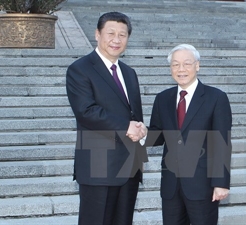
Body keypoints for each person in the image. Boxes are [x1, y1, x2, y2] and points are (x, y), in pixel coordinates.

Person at [66, 12, 148, 225]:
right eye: (110, 33)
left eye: (122, 35)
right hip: (98, 166)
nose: (116, 39)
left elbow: (132, 114)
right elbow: (86, 111)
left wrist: (140, 129)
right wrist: (126, 127)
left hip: (129, 166)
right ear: (97, 34)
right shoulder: (80, 69)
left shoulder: (129, 73)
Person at [146, 44, 232, 225]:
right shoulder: (162, 98)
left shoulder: (216, 98)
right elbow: (158, 135)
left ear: (197, 65)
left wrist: (221, 182)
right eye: (175, 65)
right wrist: (140, 134)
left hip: (202, 186)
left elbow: (221, 143)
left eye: (186, 63)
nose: (181, 69)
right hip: (171, 186)